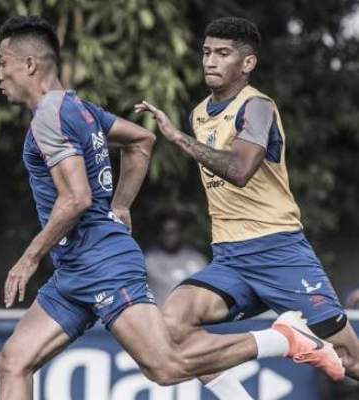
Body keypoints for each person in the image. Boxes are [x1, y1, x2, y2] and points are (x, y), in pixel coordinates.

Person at [0, 16, 343, 400]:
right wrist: (121, 205)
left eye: (3, 62)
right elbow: (141, 140)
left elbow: (76, 198)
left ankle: (283, 338)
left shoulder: (49, 116)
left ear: (30, 64)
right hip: (74, 269)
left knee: (166, 367)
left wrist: (28, 258)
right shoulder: (80, 109)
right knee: (12, 362)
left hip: (102, 264)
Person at [136, 16, 359, 400]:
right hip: (230, 258)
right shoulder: (199, 113)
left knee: (350, 360)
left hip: (278, 251)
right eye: (207, 52)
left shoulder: (256, 107)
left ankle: (289, 337)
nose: (210, 61)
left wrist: (177, 138)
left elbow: (240, 171)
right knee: (174, 324)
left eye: (223, 53)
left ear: (247, 63)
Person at [145, 215, 207, 305]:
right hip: (161, 311)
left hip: (193, 312)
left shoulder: (197, 259)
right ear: (160, 234)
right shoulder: (149, 260)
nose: (170, 236)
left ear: (181, 233)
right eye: (166, 232)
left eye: (174, 231)